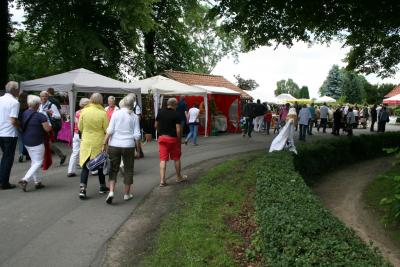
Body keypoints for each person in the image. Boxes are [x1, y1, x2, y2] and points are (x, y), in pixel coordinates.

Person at [103, 94, 141, 204]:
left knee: (113, 169)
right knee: (128, 169)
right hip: (129, 146)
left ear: (123, 103)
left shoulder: (116, 113)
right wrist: (138, 150)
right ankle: (126, 194)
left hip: (114, 144)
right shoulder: (134, 116)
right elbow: (137, 136)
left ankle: (111, 192)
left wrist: (104, 143)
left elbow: (109, 130)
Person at [78, 93, 109, 200]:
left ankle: (82, 189)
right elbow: (106, 129)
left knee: (85, 166)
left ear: (91, 100)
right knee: (100, 164)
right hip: (98, 141)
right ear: (100, 101)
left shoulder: (84, 111)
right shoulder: (102, 113)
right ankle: (102, 186)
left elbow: (80, 127)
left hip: (86, 141)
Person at [18, 95, 52, 191]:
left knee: (34, 161)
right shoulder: (40, 116)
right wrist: (50, 124)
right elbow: (47, 129)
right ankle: (25, 179)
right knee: (38, 162)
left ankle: (37, 181)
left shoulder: (24, 113)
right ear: (37, 105)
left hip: (26, 141)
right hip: (37, 141)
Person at [155, 97, 187, 187]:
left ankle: (162, 181)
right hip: (173, 139)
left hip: (162, 138)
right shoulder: (177, 114)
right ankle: (178, 177)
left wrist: (160, 132)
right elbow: (178, 129)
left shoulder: (160, 112)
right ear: (175, 105)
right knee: (176, 158)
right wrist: (179, 139)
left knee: (163, 160)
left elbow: (155, 125)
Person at [0, 81, 20, 190]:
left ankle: (1, 179)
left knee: (4, 157)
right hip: (9, 133)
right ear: (15, 90)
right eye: (18, 89)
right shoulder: (14, 102)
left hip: (0, 132)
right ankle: (4, 182)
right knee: (8, 158)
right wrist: (20, 126)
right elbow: (13, 120)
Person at [39, 91, 66, 165]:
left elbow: (58, 116)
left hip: (50, 126)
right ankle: (61, 156)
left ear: (47, 97)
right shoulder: (40, 105)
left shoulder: (52, 105)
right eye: (42, 96)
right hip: (41, 126)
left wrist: (51, 113)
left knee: (48, 143)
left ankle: (43, 161)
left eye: (45, 96)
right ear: (40, 97)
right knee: (45, 143)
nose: (44, 98)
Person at [67, 98, 90, 177]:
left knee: (75, 152)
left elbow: (76, 123)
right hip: (84, 134)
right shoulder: (87, 112)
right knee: (88, 151)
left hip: (76, 134)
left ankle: (70, 170)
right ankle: (93, 169)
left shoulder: (77, 112)